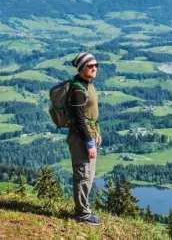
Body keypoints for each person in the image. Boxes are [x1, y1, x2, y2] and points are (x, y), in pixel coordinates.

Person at [68, 52, 101, 225]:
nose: (94, 68)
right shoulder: (78, 90)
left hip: (90, 134)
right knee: (82, 175)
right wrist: (89, 143)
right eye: (90, 65)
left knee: (88, 175)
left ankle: (84, 209)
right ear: (81, 68)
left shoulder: (88, 85)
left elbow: (91, 115)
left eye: (95, 65)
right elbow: (80, 120)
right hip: (81, 138)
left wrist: (97, 133)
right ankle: (81, 214)